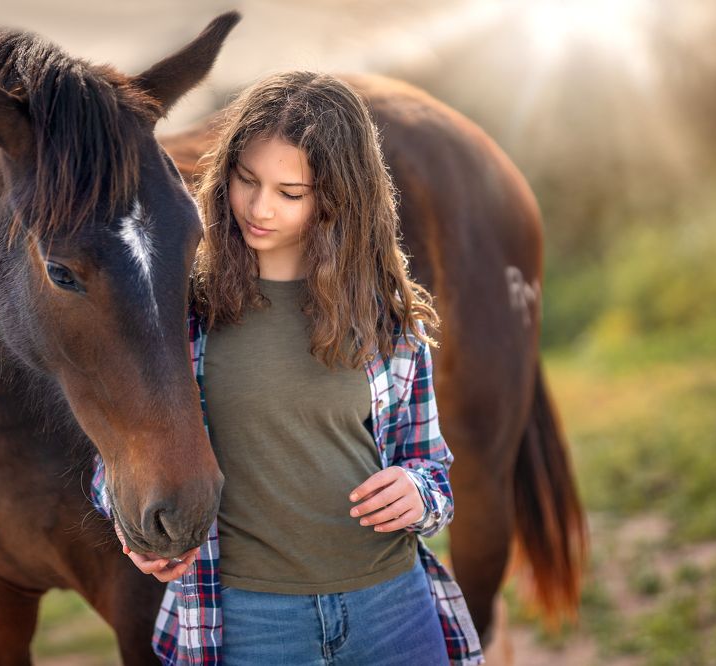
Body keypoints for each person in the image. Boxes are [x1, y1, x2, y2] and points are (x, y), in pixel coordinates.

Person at [91, 71, 483, 666]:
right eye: (246, 180)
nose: (259, 207)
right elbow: (119, 451)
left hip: (391, 607)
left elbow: (430, 468)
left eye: (290, 192)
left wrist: (417, 493)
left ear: (335, 197)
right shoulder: (182, 317)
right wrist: (132, 523)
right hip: (250, 621)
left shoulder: (385, 318)